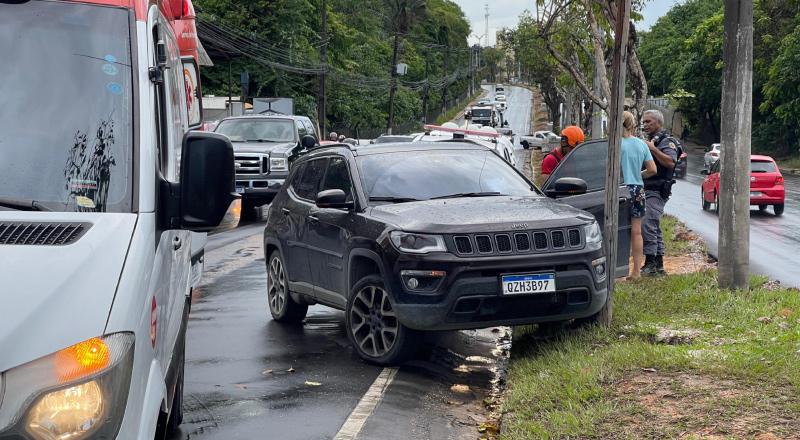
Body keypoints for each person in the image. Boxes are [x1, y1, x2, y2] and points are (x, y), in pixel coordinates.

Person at [641, 109, 681, 276]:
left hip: (657, 190)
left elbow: (671, 162)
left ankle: (651, 262)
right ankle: (658, 264)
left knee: (647, 223)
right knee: (653, 225)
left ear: (658, 123)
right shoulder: (651, 140)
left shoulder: (667, 141)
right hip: (647, 188)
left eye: (648, 122)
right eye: (643, 122)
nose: (645, 125)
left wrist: (652, 149)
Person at [620, 111, 657, 279]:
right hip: (637, 190)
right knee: (636, 231)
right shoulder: (642, 145)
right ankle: (636, 271)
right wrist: (636, 175)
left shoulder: (615, 144)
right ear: (632, 125)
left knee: (614, 229)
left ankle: (616, 268)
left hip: (619, 189)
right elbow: (652, 170)